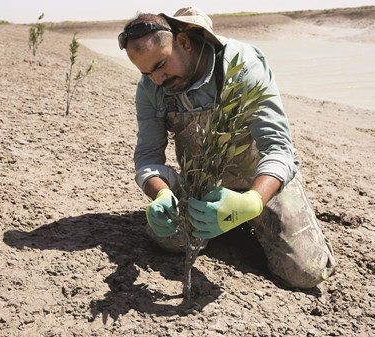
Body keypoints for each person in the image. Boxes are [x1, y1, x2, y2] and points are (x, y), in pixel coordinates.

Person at [118, 6, 336, 288]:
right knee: (169, 240)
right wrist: (160, 195)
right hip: (203, 185)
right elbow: (148, 157)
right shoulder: (151, 87)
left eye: (160, 66)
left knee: (306, 273)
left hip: (261, 183)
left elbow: (278, 150)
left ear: (183, 43)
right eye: (146, 73)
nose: (156, 80)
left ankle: (250, 221)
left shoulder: (242, 66)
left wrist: (250, 203)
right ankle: (224, 224)